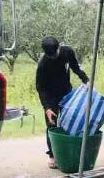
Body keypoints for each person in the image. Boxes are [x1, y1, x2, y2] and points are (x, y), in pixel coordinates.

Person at [36, 37, 89, 169]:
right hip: (51, 97)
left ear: (59, 48)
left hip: (66, 92)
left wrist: (86, 80)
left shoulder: (67, 52)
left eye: (55, 54)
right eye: (50, 56)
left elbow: (75, 68)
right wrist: (47, 108)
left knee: (70, 121)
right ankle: (52, 156)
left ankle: (69, 151)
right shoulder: (43, 64)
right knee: (52, 124)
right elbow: (41, 88)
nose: (53, 57)